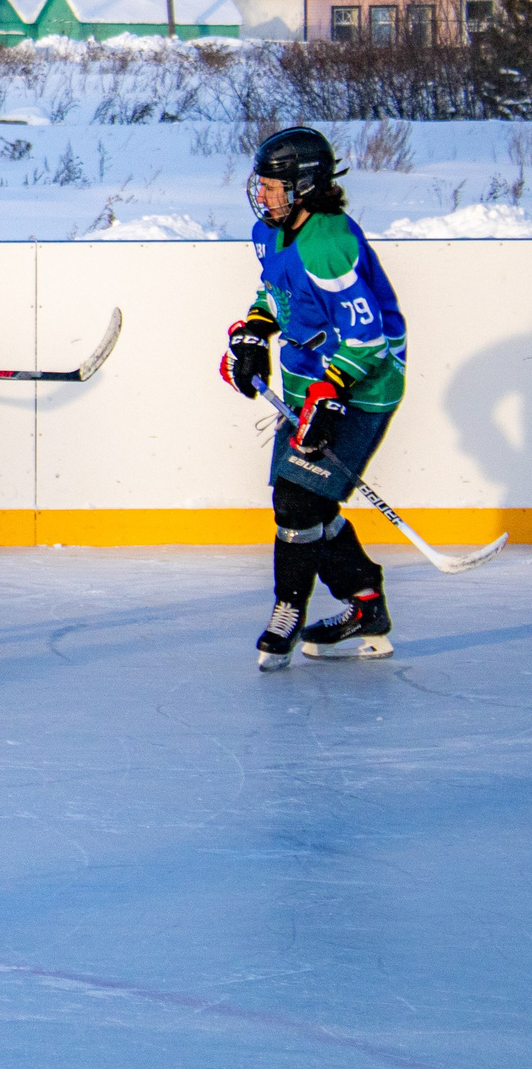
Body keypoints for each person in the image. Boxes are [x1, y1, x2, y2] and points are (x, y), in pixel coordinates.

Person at [220, 127, 404, 670]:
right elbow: (276, 294)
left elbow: (368, 339)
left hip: (361, 388)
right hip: (307, 387)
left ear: (304, 186)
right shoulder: (267, 232)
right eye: (264, 184)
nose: (265, 195)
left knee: (298, 504)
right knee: (307, 503)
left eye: (276, 185)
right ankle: (365, 605)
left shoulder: (329, 243)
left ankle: (287, 609)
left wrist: (333, 392)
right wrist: (254, 331)